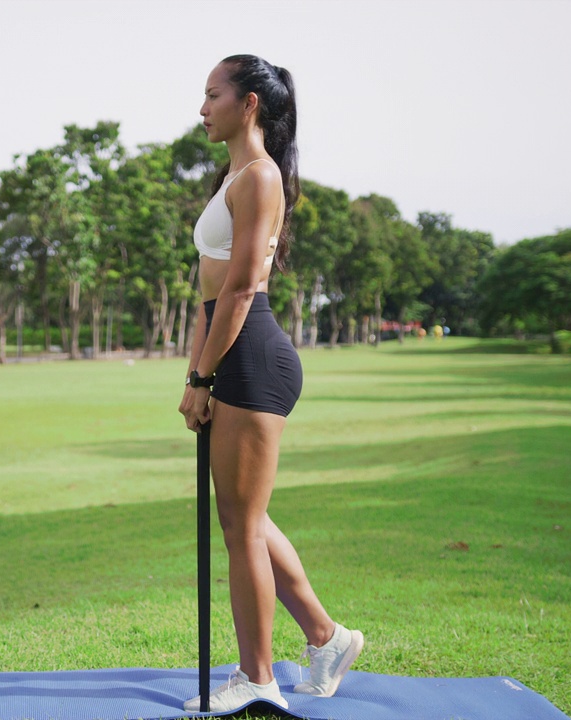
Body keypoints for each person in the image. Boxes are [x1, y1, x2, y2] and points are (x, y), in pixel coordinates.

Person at [178, 54, 364, 712]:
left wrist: (203, 375)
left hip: (252, 357)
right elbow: (211, 294)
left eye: (212, 95)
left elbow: (240, 290)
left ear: (248, 102)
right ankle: (325, 636)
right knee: (245, 519)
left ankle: (257, 677)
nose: (202, 108)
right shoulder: (236, 174)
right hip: (236, 353)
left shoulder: (258, 177)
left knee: (242, 529)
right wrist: (196, 369)